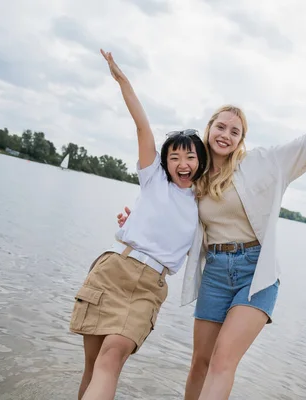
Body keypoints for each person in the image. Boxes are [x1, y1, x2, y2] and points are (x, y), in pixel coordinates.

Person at [117, 90, 306, 399]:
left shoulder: (265, 162)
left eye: (234, 131)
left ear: (241, 139)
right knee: (200, 362)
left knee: (223, 361)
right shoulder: (195, 174)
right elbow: (166, 204)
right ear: (209, 128)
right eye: (221, 127)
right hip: (215, 273)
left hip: (256, 273)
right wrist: (137, 221)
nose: (226, 134)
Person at [69, 49, 208, 400]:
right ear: (165, 162)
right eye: (174, 156)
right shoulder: (154, 180)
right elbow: (142, 125)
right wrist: (122, 80)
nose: (182, 162)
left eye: (190, 156)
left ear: (200, 162)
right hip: (114, 270)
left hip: (149, 287)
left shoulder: (205, 203)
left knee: (112, 356)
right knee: (92, 366)